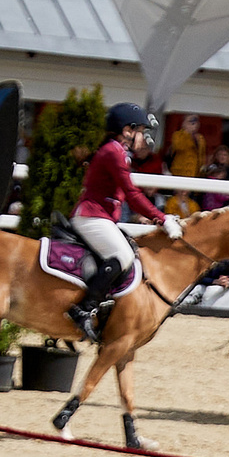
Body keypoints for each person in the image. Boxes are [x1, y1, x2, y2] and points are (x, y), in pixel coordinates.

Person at [62, 101, 176, 342]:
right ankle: (83, 309)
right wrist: (162, 218)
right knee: (123, 256)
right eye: (140, 131)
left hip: (101, 217)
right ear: (127, 130)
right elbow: (132, 194)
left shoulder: (117, 151)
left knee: (129, 252)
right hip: (92, 216)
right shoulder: (114, 152)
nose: (143, 138)